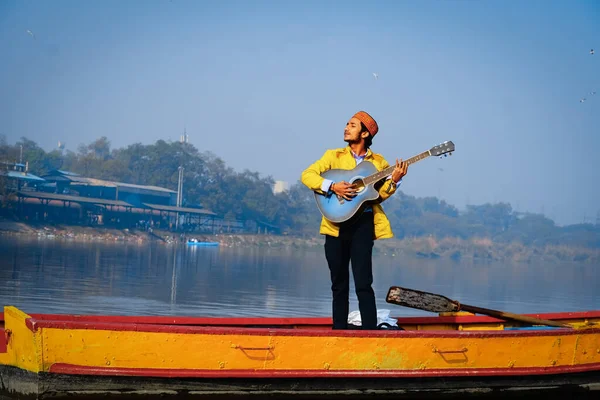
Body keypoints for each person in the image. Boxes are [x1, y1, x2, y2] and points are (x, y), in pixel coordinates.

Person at [301, 111, 408, 330]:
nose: (346, 128)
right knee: (338, 284)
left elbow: (378, 196)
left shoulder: (378, 163)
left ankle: (370, 332)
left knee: (363, 283)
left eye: (352, 125)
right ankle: (339, 330)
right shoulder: (333, 156)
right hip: (335, 225)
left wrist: (394, 182)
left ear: (365, 133)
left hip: (363, 226)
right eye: (346, 124)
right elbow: (307, 175)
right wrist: (332, 186)